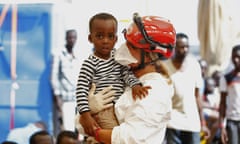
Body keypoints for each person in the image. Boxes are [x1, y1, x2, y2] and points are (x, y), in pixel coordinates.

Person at [79, 13, 176, 144]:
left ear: (149, 55)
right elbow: (79, 124)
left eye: (133, 46)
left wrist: (93, 130)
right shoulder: (123, 76)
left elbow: (130, 138)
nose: (123, 48)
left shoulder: (154, 91)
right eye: (127, 42)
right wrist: (87, 111)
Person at [76, 12, 149, 137]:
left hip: (119, 108)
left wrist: (135, 85)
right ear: (90, 38)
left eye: (110, 36)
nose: (105, 41)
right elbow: (81, 91)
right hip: (104, 110)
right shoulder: (89, 64)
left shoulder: (118, 57)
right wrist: (86, 115)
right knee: (114, 137)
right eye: (99, 36)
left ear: (116, 39)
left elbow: (126, 73)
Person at [162, 32, 210, 144]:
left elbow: (197, 96)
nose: (185, 50)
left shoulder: (195, 66)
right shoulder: (164, 67)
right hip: (172, 123)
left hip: (192, 122)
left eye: (187, 47)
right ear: (174, 47)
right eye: (181, 47)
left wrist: (203, 123)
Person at [50, 29, 80, 135]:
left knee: (77, 128)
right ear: (66, 38)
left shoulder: (76, 55)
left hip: (76, 97)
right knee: (66, 128)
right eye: (70, 37)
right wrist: (57, 95)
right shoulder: (59, 54)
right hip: (64, 97)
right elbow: (54, 76)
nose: (72, 40)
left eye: (74, 38)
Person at [218, 44, 240, 144]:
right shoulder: (226, 78)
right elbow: (222, 103)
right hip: (233, 121)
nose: (236, 60)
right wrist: (222, 127)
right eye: (234, 57)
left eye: (238, 57)